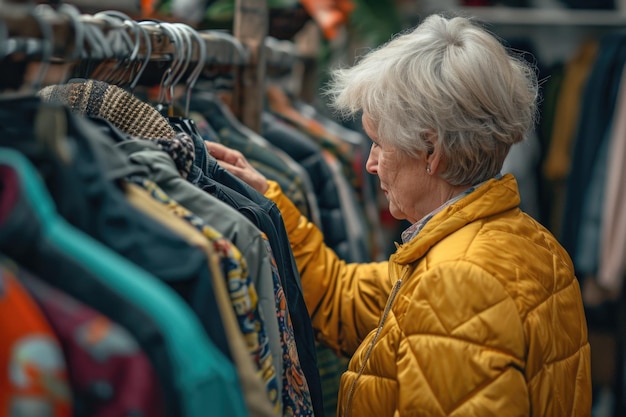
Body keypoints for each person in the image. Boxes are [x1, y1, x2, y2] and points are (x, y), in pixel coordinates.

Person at [206, 13, 592, 417]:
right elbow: (345, 298)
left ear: (431, 152)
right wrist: (270, 205)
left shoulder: (457, 282)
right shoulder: (520, 242)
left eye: (379, 143)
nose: (370, 163)